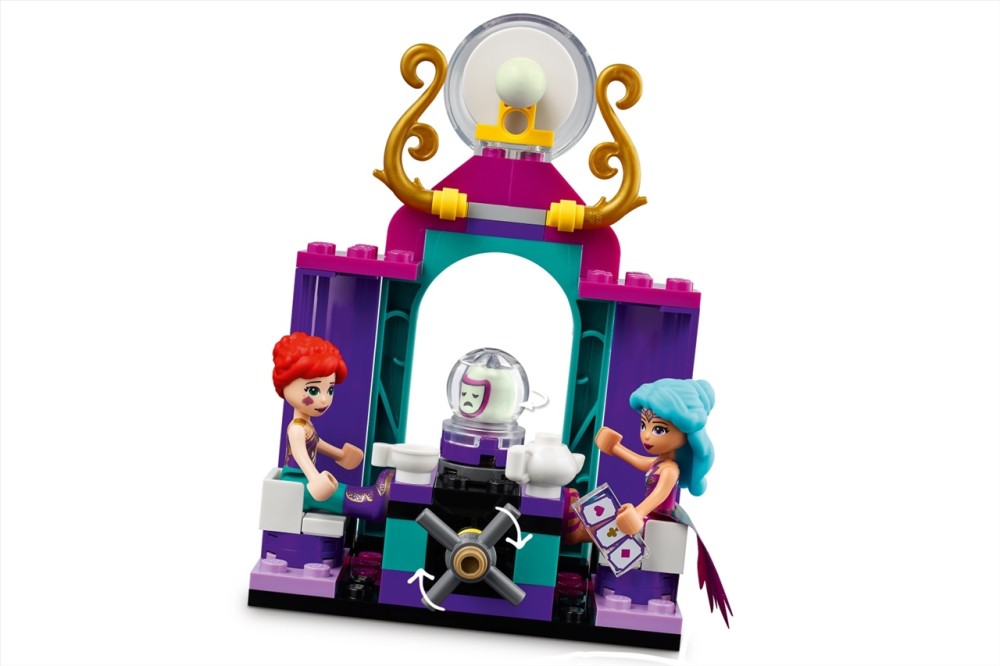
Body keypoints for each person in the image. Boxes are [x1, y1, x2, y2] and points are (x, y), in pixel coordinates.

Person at [272, 332, 392, 522]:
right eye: (313, 390)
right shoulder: (296, 429)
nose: (324, 399)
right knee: (335, 494)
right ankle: (370, 504)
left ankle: (369, 499)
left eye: (330, 390)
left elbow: (317, 443)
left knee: (337, 488)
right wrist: (314, 478)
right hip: (296, 481)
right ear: (286, 387)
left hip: (303, 480)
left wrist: (340, 455)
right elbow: (301, 456)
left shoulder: (306, 425)